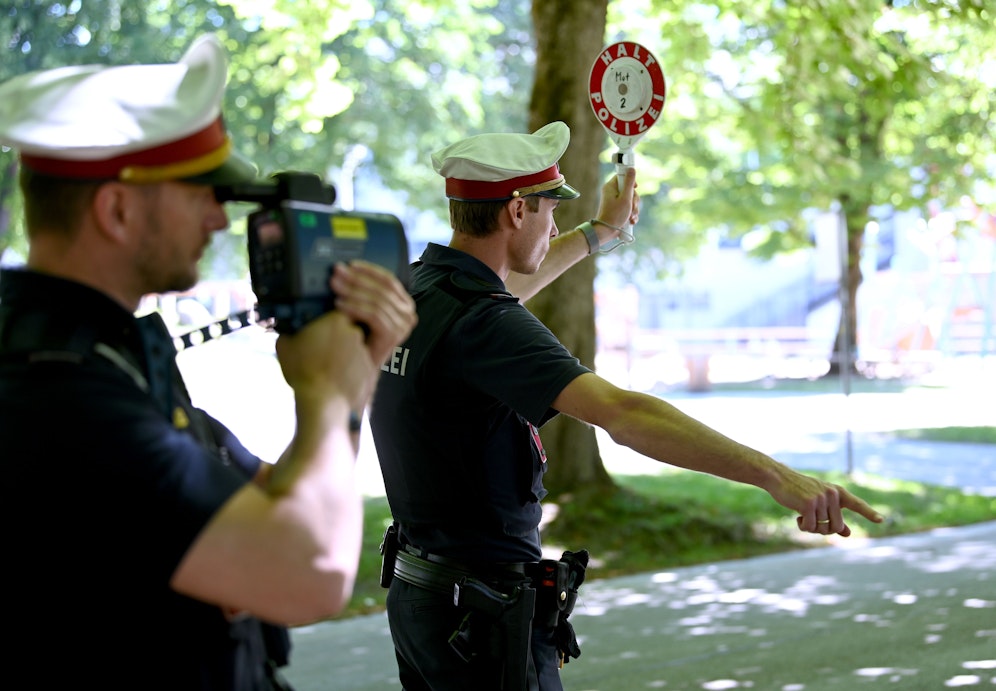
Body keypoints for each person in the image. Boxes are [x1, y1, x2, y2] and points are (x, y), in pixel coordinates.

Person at [368, 121, 884, 691]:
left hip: (421, 600)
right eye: (549, 210)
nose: (555, 223)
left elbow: (494, 300)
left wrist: (599, 233)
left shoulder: (419, 289)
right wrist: (774, 475)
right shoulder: (486, 324)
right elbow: (625, 414)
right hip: (480, 621)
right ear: (517, 212)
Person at [0, 35, 416, 689]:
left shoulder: (107, 356)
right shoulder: (59, 392)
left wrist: (349, 380)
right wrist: (331, 392)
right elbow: (307, 572)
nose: (220, 220)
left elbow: (280, 501)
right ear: (117, 209)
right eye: (203, 192)